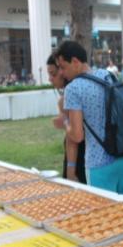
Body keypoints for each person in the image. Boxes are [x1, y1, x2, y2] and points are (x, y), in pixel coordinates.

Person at [57, 41, 123, 195]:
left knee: (103, 213)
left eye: (63, 66)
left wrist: (65, 122)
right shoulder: (107, 75)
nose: (61, 72)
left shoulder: (73, 88)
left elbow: (77, 136)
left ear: (75, 62)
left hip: (99, 162)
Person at [46, 54, 86, 184]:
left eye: (53, 74)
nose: (50, 79)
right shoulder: (83, 88)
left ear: (63, 70)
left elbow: (73, 139)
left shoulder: (68, 97)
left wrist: (70, 169)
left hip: (80, 157)